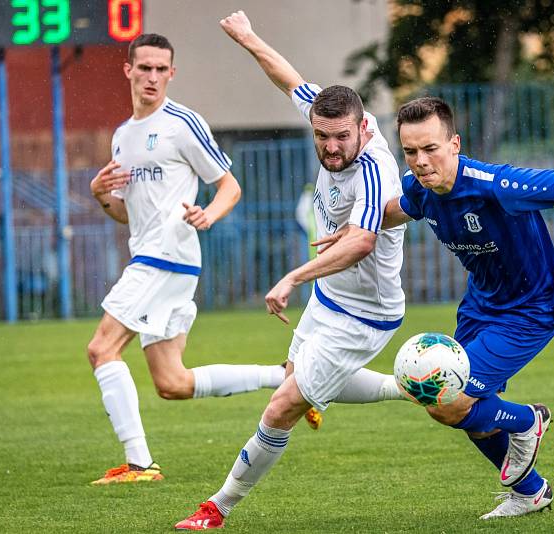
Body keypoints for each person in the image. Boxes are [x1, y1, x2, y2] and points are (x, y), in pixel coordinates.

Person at [334, 96, 554, 520]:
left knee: (447, 400)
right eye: (410, 151)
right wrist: (357, 228)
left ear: (455, 143)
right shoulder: (422, 189)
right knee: (461, 410)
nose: (419, 160)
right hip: (480, 306)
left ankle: (526, 421)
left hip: (531, 309)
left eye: (430, 148)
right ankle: (530, 492)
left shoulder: (495, 184)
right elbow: (399, 209)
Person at [174, 11, 407, 530]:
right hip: (330, 300)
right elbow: (289, 78)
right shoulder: (328, 114)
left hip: (366, 314)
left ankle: (217, 508)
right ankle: (410, 387)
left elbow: (363, 242)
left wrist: (294, 276)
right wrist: (248, 36)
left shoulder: (374, 168)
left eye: (340, 137)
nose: (329, 147)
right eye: (321, 135)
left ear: (363, 125)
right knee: (294, 382)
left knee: (282, 406)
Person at [87, 33, 295, 485]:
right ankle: (284, 376)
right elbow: (126, 214)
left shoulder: (182, 122)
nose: (153, 77)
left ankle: (140, 465)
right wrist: (100, 196)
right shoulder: (123, 137)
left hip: (166, 259)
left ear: (172, 74)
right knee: (172, 383)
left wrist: (209, 215)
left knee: (101, 349)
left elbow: (229, 186)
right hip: (152, 257)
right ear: (129, 70)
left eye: (162, 69)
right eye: (145, 68)